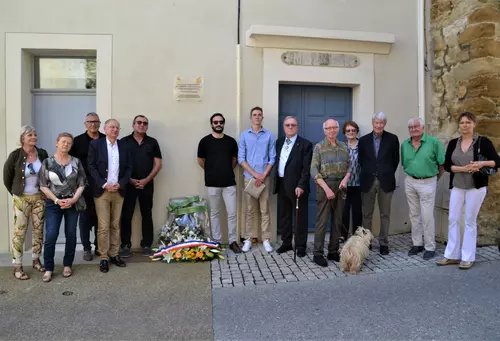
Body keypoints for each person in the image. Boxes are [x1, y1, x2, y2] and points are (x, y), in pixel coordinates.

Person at [436, 112, 500, 269]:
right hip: (458, 186)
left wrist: (479, 164)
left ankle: (468, 257)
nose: (465, 125)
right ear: (459, 125)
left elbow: (496, 162)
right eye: (462, 122)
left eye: (468, 122)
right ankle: (451, 255)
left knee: (470, 221)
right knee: (453, 219)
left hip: (475, 188)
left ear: (474, 124)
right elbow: (447, 165)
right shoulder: (453, 143)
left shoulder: (482, 142)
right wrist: (463, 168)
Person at [39, 133, 87, 282]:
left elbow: (82, 183)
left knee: (71, 234)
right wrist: (56, 200)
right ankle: (48, 268)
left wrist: (73, 199)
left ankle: (67, 265)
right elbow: (42, 186)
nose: (66, 145)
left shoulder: (76, 162)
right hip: (54, 204)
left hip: (72, 203)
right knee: (51, 235)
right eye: (63, 142)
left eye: (69, 143)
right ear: (57, 143)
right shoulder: (47, 162)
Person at [3, 126, 48, 280]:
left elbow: (47, 174)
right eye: (30, 135)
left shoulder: (42, 153)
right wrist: (16, 194)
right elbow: (7, 178)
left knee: (38, 231)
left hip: (39, 198)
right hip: (21, 199)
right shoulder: (15, 155)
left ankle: (36, 259)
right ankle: (17, 265)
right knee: (19, 232)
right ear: (23, 138)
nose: (33, 137)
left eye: (35, 134)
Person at [88, 119, 132, 273]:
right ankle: (104, 257)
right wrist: (104, 184)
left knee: (115, 224)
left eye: (117, 127)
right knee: (104, 226)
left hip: (119, 191)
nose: (115, 129)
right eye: (112, 127)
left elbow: (128, 169)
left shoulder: (124, 146)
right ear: (105, 129)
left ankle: (115, 254)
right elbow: (91, 166)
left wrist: (121, 183)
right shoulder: (96, 144)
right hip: (103, 192)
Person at [401, 118, 445, 260]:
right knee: (414, 214)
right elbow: (404, 163)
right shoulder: (405, 145)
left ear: (422, 127)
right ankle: (417, 243)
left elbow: (442, 163)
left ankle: (430, 246)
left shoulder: (433, 143)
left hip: (427, 181)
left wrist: (434, 180)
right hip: (410, 181)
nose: (413, 129)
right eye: (411, 127)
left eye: (416, 126)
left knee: (427, 216)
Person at [197, 113, 241, 253]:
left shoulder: (231, 141)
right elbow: (200, 160)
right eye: (215, 122)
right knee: (214, 213)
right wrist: (211, 171)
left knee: (232, 213)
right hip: (212, 183)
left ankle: (233, 241)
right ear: (211, 124)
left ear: (223, 123)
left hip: (229, 183)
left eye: (220, 122)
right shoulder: (204, 141)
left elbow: (235, 160)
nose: (218, 124)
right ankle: (216, 242)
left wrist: (226, 169)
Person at [120, 115, 162, 257]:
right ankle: (125, 245)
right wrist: (130, 180)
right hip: (128, 185)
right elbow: (118, 164)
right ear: (133, 125)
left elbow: (158, 164)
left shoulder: (152, 142)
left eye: (145, 123)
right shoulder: (124, 142)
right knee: (126, 215)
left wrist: (147, 179)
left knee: (147, 215)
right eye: (139, 122)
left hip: (147, 185)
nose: (141, 125)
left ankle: (146, 245)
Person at [310, 119, 351, 267]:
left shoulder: (343, 146)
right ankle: (318, 254)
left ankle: (333, 251)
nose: (332, 130)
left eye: (334, 127)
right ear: (324, 130)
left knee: (337, 221)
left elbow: (349, 166)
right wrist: (327, 189)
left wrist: (346, 179)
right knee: (322, 222)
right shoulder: (319, 148)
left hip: (340, 186)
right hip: (324, 186)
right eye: (329, 128)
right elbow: (313, 170)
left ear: (338, 129)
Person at [358, 112, 400, 255]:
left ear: (384, 124)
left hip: (386, 181)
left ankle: (383, 243)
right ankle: (366, 242)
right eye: (376, 122)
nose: (379, 125)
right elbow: (361, 161)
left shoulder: (393, 139)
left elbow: (395, 160)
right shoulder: (363, 140)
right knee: (367, 214)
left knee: (385, 214)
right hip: (368, 180)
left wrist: (385, 172)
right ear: (373, 123)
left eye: (381, 123)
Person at [238, 106, 276, 252]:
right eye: (254, 114)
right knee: (249, 210)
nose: (257, 117)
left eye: (259, 114)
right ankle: (247, 239)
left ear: (262, 117)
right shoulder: (244, 136)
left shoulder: (269, 135)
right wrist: (255, 175)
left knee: (265, 209)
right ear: (250, 117)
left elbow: (272, 158)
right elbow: (241, 158)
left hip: (264, 178)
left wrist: (263, 175)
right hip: (249, 178)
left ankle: (266, 239)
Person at [273, 116, 313, 257]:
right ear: (284, 126)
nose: (290, 127)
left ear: (297, 127)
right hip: (282, 183)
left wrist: (301, 185)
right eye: (287, 125)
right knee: (284, 216)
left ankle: (301, 246)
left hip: (297, 186)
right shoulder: (278, 142)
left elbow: (306, 168)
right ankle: (286, 243)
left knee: (300, 217)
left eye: (293, 125)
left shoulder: (305, 144)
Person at [69, 112, 105, 261]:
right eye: (90, 122)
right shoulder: (77, 141)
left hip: (102, 184)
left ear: (99, 123)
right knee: (84, 218)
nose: (93, 124)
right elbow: (68, 160)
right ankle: (86, 248)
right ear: (85, 124)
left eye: (96, 122)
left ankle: (99, 246)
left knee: (100, 217)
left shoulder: (105, 139)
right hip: (83, 186)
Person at [341, 120, 362, 242]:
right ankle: (343, 235)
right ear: (344, 133)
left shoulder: (362, 146)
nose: (351, 132)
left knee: (357, 212)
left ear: (357, 132)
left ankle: (356, 236)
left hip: (359, 184)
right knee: (344, 211)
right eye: (348, 130)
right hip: (345, 185)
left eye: (353, 130)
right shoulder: (342, 147)